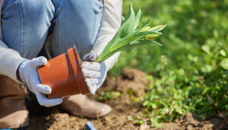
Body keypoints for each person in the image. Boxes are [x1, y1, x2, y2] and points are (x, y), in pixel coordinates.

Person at [0, 0, 122, 129]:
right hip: (16, 45)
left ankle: (69, 88)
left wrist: (102, 60)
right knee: (30, 5)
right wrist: (20, 67)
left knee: (82, 4)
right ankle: (11, 96)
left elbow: (111, 28)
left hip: (61, 52)